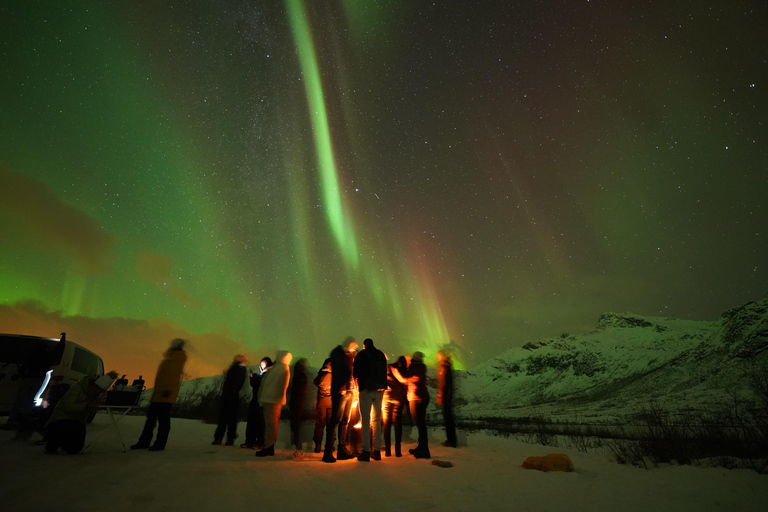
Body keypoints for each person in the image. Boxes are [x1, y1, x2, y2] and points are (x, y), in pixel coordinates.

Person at [131, 338, 187, 451]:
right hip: (160, 394)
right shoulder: (171, 358)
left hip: (165, 395)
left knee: (161, 421)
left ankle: (158, 444)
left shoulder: (175, 358)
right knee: (152, 420)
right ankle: (145, 442)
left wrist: (167, 391)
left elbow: (171, 377)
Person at [44, 371, 117, 454]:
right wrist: (86, 406)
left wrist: (97, 404)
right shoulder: (79, 388)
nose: (97, 392)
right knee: (69, 427)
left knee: (75, 447)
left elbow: (86, 414)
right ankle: (53, 441)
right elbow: (67, 406)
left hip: (77, 422)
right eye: (97, 390)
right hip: (60, 419)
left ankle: (65, 444)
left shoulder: (94, 395)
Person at [7, 333, 67, 431]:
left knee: (19, 400)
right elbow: (58, 350)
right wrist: (63, 339)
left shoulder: (32, 355)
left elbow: (23, 367)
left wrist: (23, 376)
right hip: (38, 380)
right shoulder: (47, 356)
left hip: (28, 379)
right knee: (30, 401)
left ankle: (11, 421)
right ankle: (24, 421)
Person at [322, 336, 358, 463]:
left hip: (350, 391)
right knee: (336, 420)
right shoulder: (337, 353)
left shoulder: (348, 355)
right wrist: (342, 384)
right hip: (341, 391)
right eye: (354, 346)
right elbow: (338, 371)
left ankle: (342, 450)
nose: (354, 348)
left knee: (345, 421)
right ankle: (328, 452)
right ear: (349, 344)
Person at [353, 338, 388, 461]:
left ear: (364, 346)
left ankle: (366, 451)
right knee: (377, 421)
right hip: (380, 390)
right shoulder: (381, 354)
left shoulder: (362, 355)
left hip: (366, 390)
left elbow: (355, 372)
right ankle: (377, 451)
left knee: (365, 420)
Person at [256, 350, 292, 457]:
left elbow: (283, 386)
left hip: (273, 401)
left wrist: (278, 398)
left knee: (271, 425)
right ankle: (268, 446)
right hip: (269, 400)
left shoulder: (283, 369)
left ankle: (269, 447)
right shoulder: (277, 368)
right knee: (269, 425)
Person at [212, 355, 248, 446]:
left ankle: (224, 438)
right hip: (230, 395)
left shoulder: (238, 369)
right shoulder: (238, 369)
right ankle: (226, 438)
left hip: (231, 395)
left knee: (227, 417)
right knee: (228, 418)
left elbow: (239, 384)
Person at [241, 357, 273, 449]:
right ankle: (249, 441)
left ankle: (260, 442)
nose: (262, 366)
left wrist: (255, 377)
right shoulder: (261, 374)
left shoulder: (268, 374)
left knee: (260, 422)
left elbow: (262, 384)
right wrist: (253, 378)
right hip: (255, 399)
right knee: (251, 421)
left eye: (264, 364)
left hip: (262, 401)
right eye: (261, 364)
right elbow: (255, 385)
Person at [406, 351, 430, 459]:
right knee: (420, 424)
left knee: (420, 424)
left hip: (417, 399)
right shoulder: (420, 367)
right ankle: (421, 447)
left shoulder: (415, 367)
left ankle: (424, 450)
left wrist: (396, 371)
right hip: (420, 397)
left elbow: (407, 378)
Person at [382, 356, 408, 457]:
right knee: (397, 423)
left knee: (386, 423)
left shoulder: (388, 367)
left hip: (386, 396)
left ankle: (387, 450)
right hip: (399, 398)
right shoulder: (404, 371)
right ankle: (398, 450)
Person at [437, 349, 457, 448]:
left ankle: (451, 441)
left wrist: (440, 396)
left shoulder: (443, 367)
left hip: (446, 397)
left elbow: (443, 383)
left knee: (448, 418)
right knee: (449, 418)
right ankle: (451, 440)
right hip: (448, 396)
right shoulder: (447, 366)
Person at [289, 358, 309, 458]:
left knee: (297, 428)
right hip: (298, 404)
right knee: (296, 427)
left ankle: (299, 449)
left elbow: (298, 392)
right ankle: (298, 448)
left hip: (297, 405)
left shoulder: (299, 377)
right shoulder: (301, 376)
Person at [312, 358, 332, 453]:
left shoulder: (322, 374)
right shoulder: (335, 374)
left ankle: (318, 445)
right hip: (331, 402)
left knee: (320, 424)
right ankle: (329, 446)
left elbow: (316, 382)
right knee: (330, 425)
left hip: (321, 401)